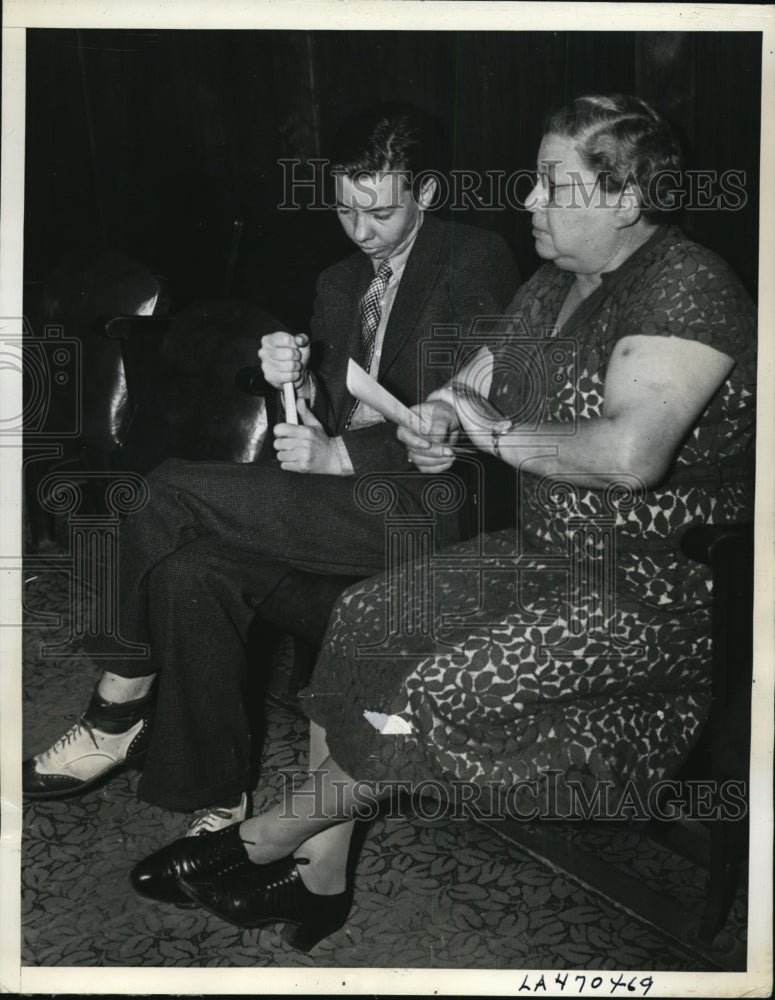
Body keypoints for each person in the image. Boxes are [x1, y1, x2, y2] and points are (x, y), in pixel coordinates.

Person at [128, 93, 756, 950]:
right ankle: (321, 879)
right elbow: (467, 389)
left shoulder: (686, 285)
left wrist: (486, 432)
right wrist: (437, 425)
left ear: (622, 198)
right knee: (362, 620)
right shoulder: (554, 285)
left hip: (657, 590)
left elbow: (627, 455)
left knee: (435, 683)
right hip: (546, 552)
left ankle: (265, 836)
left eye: (549, 183)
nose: (527, 200)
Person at [22, 104, 519, 832]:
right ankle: (214, 799)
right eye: (345, 207)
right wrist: (298, 382)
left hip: (426, 508)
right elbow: (319, 412)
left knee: (164, 493)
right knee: (195, 570)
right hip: (337, 505)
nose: (359, 228)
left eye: (379, 210)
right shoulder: (337, 281)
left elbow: (459, 407)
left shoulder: (474, 260)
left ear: (428, 194)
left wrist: (343, 452)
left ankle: (117, 706)